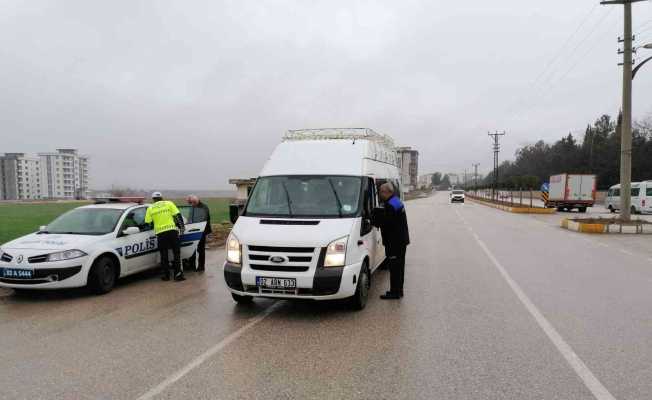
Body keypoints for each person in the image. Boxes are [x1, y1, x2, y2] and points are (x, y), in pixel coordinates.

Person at [373, 182, 410, 300]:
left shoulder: (390, 205)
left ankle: (394, 292)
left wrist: (374, 221)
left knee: (394, 268)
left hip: (395, 242)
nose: (380, 194)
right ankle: (399, 290)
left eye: (381, 192)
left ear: (387, 192)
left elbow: (387, 224)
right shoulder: (396, 201)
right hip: (401, 240)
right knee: (399, 267)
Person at [145, 191, 186, 281]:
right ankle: (178, 275)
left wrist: (155, 225)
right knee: (176, 253)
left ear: (153, 199)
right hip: (172, 231)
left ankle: (166, 276)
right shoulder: (169, 203)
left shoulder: (150, 208)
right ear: (161, 197)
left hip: (160, 233)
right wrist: (182, 228)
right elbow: (178, 216)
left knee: (164, 254)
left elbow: (148, 223)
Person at [186, 195, 212, 272]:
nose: (190, 205)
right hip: (192, 230)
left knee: (200, 249)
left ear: (195, 202)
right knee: (192, 248)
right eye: (189, 203)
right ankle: (191, 265)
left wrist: (194, 225)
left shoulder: (203, 208)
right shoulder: (193, 207)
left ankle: (201, 267)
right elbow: (190, 217)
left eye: (191, 203)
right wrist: (188, 223)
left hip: (201, 231)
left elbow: (203, 219)